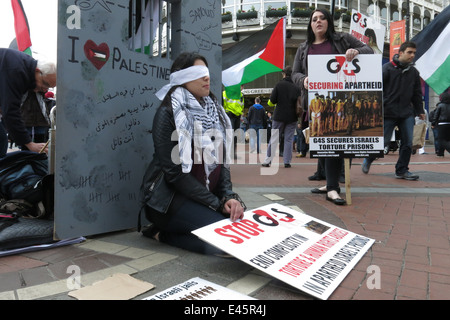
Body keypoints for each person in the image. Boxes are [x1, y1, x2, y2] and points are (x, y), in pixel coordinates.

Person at [139, 52, 245, 256]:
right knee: (226, 242)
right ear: (181, 78)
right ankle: (162, 233)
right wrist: (217, 204)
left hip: (203, 198)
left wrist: (228, 196)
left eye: (206, 72)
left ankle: (171, 232)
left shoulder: (216, 113)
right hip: (168, 201)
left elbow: (221, 165)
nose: (207, 77)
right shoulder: (168, 114)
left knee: (239, 228)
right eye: (198, 73)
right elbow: (175, 174)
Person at [291, 8, 374, 205]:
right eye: (314, 19)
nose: (318, 21)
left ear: (328, 21)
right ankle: (330, 183)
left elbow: (369, 50)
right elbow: (294, 74)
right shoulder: (303, 48)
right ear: (310, 24)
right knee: (324, 145)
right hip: (317, 102)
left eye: (322, 18)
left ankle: (332, 188)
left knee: (334, 143)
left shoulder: (342, 39)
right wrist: (303, 80)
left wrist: (356, 51)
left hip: (341, 101)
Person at [362, 41, 425, 180]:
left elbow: (417, 93)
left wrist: (419, 110)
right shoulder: (387, 68)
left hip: (406, 113)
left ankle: (402, 170)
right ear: (401, 53)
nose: (412, 55)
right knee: (382, 142)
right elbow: (376, 90)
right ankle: (369, 159)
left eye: (414, 53)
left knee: (408, 143)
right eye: (409, 52)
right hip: (387, 112)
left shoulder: (414, 72)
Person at [0, 48, 56, 157]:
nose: (45, 90)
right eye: (45, 84)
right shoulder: (17, 71)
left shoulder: (25, 67)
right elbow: (11, 111)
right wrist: (29, 144)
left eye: (49, 88)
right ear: (37, 71)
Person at [262, 66, 301, 168]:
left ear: (284, 74)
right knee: (288, 139)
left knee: (274, 138)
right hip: (292, 117)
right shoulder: (296, 87)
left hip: (279, 116)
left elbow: (272, 100)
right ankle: (287, 161)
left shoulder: (279, 85)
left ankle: (268, 160)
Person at [223, 85, 244, 159]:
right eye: (241, 86)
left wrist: (240, 112)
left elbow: (242, 105)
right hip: (230, 115)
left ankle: (233, 153)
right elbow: (223, 103)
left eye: (243, 86)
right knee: (229, 135)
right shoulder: (226, 92)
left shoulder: (241, 95)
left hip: (237, 116)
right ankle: (227, 153)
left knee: (235, 135)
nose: (242, 88)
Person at [431, 89, 450, 156]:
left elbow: (436, 115)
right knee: (447, 139)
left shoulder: (440, 105)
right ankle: (440, 152)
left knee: (441, 140)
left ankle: (443, 151)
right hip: (449, 124)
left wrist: (433, 123)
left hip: (441, 124)